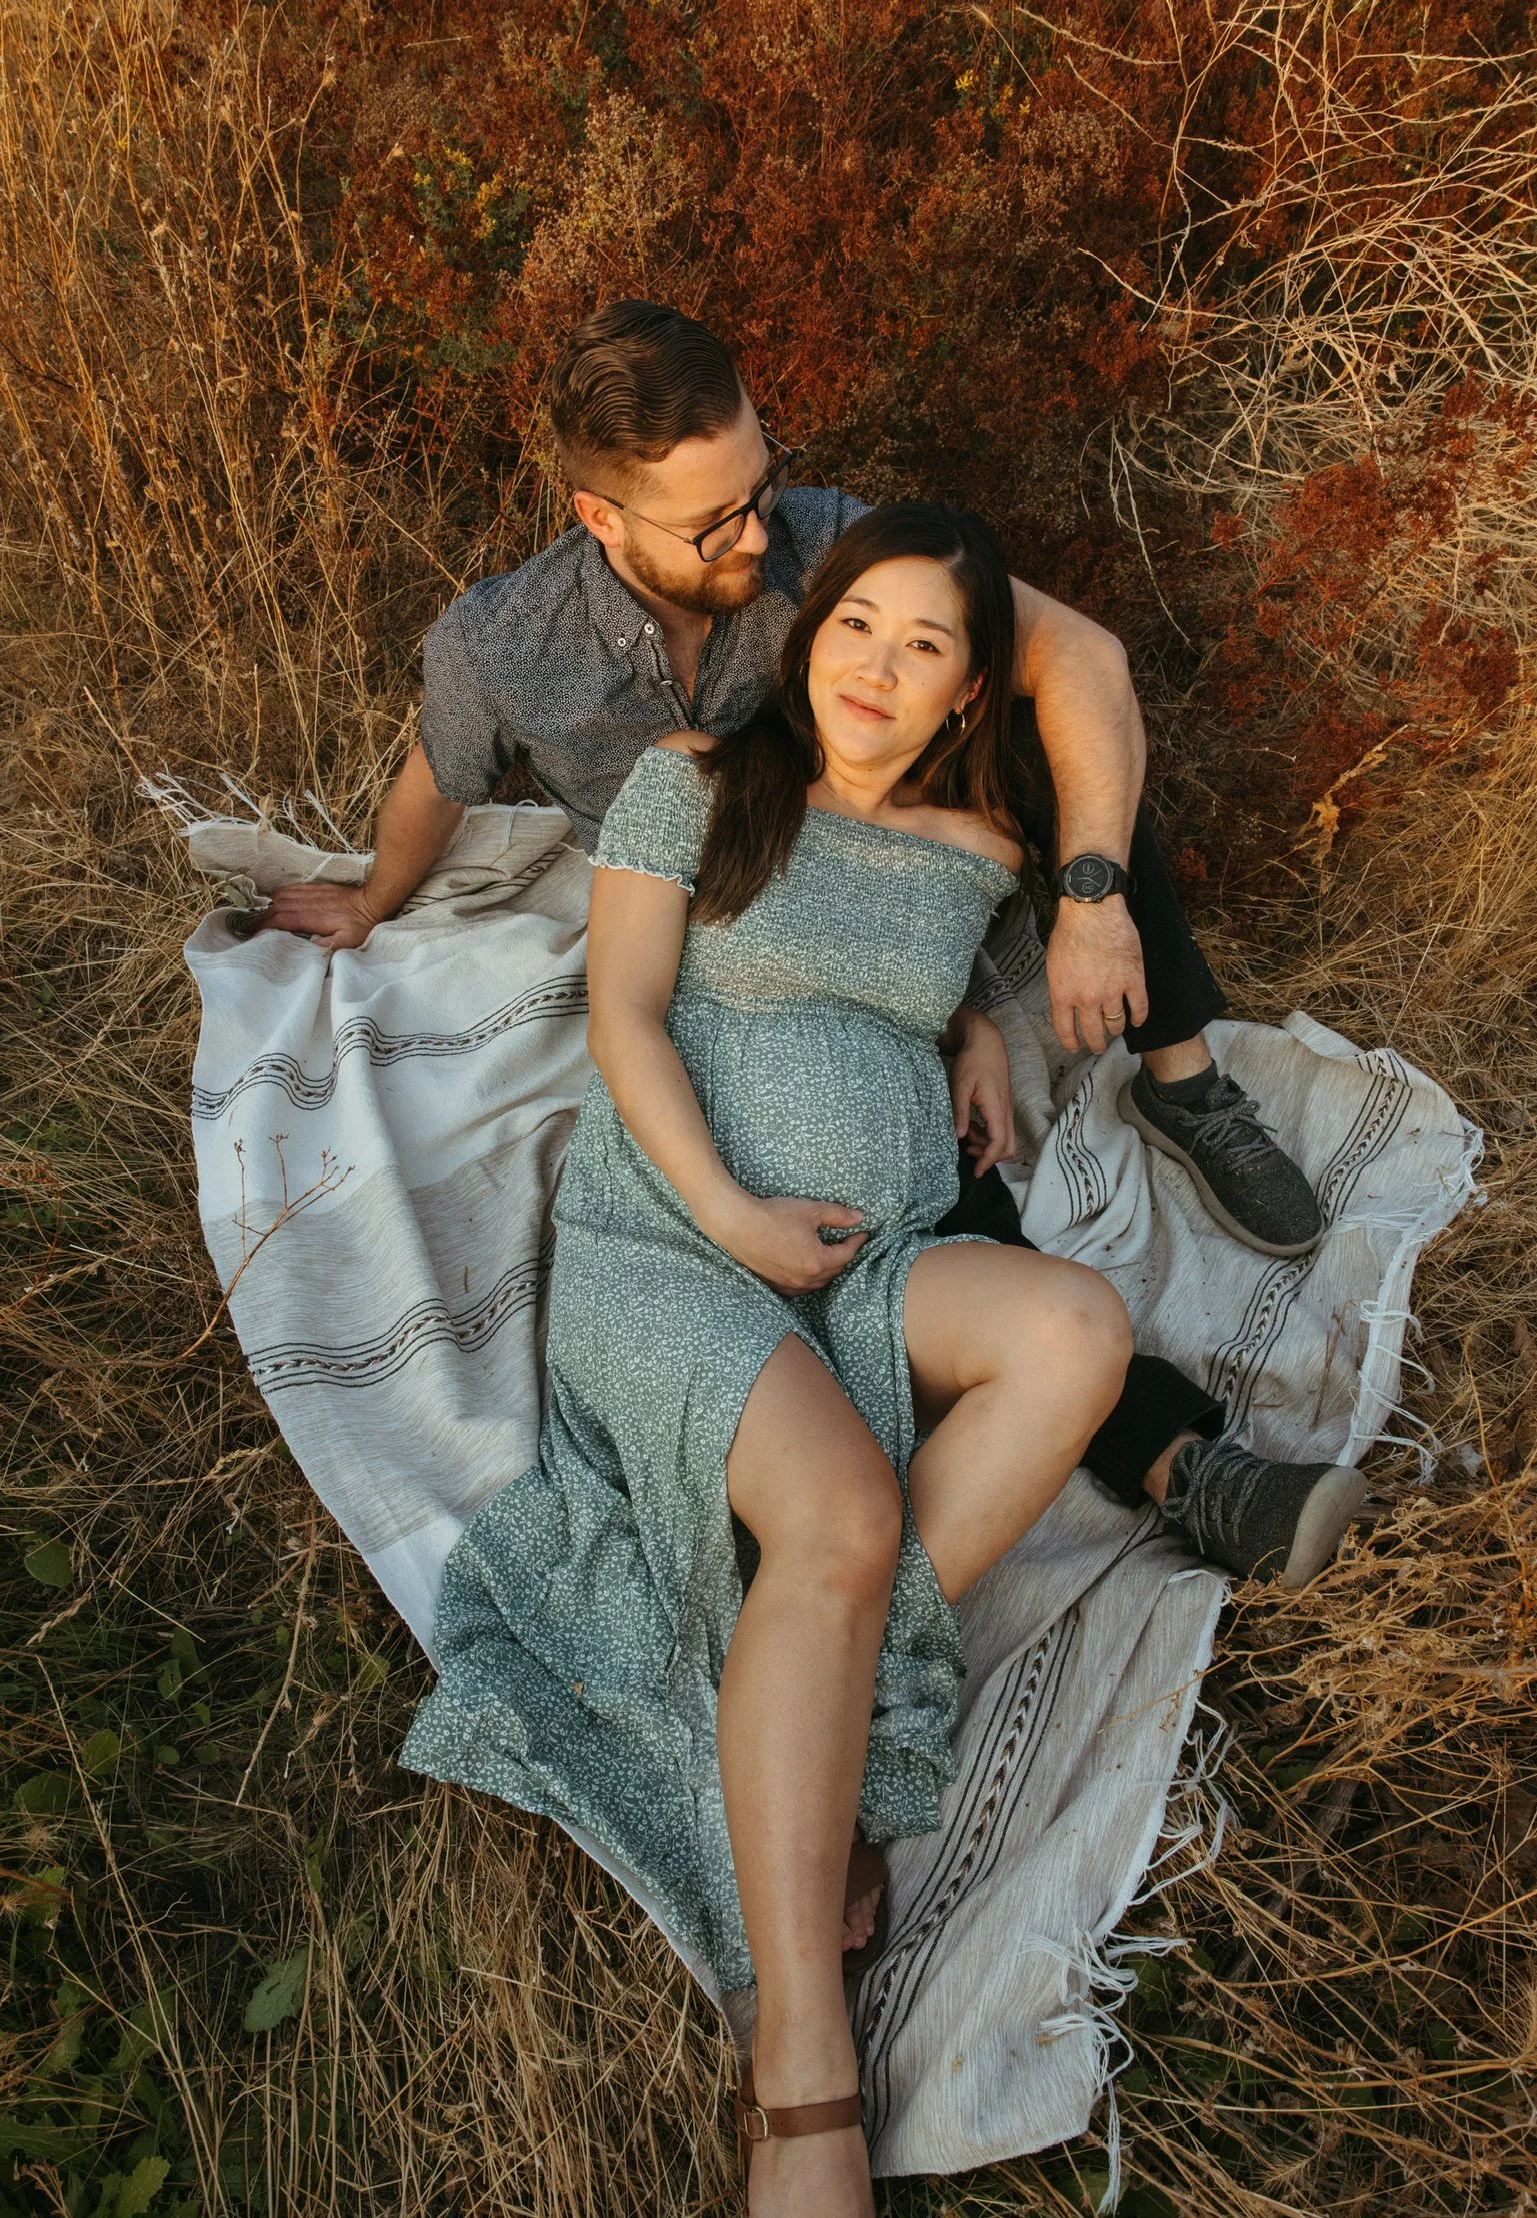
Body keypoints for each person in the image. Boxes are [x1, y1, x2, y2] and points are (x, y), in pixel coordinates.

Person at [257, 300, 1366, 1589]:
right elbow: (439, 774)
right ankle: (1163, 1466)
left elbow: (1082, 658)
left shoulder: (830, 543)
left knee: (1060, 750)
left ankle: (1182, 1076)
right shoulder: (505, 644)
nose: (757, 533)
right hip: (721, 951)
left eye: (760, 484)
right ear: (600, 516)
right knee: (921, 1198)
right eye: (713, 522)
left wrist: (1083, 903)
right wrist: (374, 897)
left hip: (888, 932)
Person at [402, 503, 1142, 2218]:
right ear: (810, 634)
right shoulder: (697, 783)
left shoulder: (981, 847)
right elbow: (627, 1017)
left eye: (926, 645)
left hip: (869, 1257)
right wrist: (732, 1214)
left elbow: (931, 972)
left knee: (1077, 1331)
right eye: (857, 622)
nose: (878, 668)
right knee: (848, 1514)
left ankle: (840, 1713)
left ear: (970, 691)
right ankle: (804, 2065)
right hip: (677, 1242)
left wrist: (976, 1027)